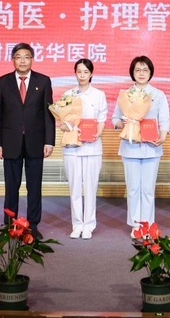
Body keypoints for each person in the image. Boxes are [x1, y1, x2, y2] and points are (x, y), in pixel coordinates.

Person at [0, 42, 55, 239]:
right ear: (13, 60)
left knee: (34, 186)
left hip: (36, 142)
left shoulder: (43, 81)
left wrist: (49, 141)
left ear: (32, 59)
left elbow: (48, 115)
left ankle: (33, 225)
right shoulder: (3, 82)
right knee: (11, 186)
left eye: (26, 57)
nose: (22, 61)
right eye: (18, 57)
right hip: (10, 142)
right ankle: (10, 224)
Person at [113, 56, 170, 233]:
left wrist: (163, 135)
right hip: (130, 147)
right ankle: (135, 225)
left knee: (147, 189)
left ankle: (147, 225)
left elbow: (164, 119)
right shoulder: (125, 95)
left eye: (145, 70)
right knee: (133, 189)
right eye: (138, 70)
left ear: (151, 72)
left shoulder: (158, 95)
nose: (141, 73)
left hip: (152, 148)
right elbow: (115, 119)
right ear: (132, 73)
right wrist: (123, 123)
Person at [59, 58, 108, 240]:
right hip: (72, 148)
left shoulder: (99, 95)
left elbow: (102, 119)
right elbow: (61, 122)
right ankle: (77, 224)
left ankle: (89, 225)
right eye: (79, 71)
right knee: (74, 188)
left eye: (85, 72)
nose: (82, 75)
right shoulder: (68, 94)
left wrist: (96, 134)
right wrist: (69, 127)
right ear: (75, 73)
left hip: (92, 147)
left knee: (90, 188)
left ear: (91, 74)